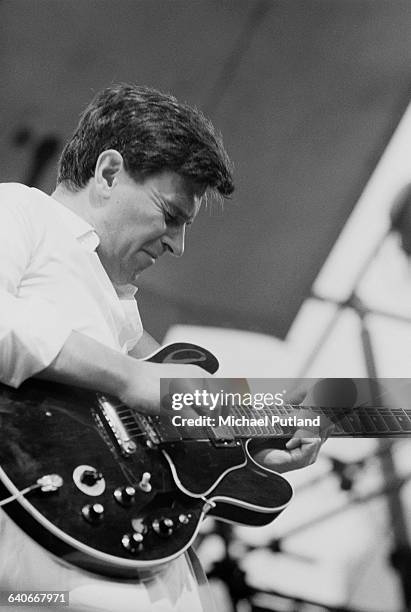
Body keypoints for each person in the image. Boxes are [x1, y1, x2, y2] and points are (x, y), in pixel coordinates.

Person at [0, 84, 322, 611]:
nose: (177, 244)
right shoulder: (17, 211)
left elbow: (167, 407)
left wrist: (245, 441)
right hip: (48, 572)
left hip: (137, 570)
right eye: (171, 214)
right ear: (107, 174)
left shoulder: (117, 307)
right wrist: (130, 378)